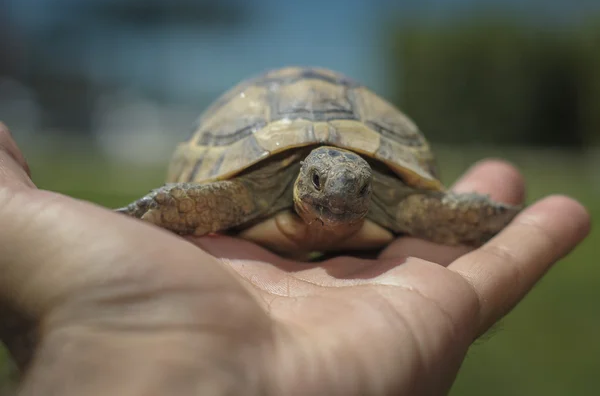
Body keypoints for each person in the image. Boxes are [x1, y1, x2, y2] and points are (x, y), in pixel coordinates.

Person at [0, 122, 590, 395]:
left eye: (355, 193)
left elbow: (434, 209)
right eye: (319, 185)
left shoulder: (389, 198)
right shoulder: (240, 191)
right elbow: (178, 204)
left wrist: (481, 218)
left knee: (434, 215)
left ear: (369, 187)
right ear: (300, 179)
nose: (335, 203)